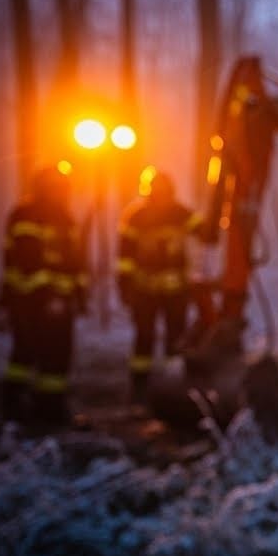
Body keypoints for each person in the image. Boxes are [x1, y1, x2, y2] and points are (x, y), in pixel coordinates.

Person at [0, 164, 88, 431]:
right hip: (30, 299)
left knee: (57, 355)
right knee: (28, 352)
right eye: (55, 189)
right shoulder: (25, 215)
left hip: (58, 301)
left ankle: (49, 406)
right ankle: (15, 404)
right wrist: (49, 294)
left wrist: (79, 293)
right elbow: (28, 260)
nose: (60, 194)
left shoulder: (65, 218)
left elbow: (75, 261)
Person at [117, 168, 201, 403]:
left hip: (176, 292)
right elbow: (124, 257)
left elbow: (205, 230)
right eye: (157, 193)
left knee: (175, 339)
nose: (161, 197)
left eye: (165, 193)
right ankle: (139, 388)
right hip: (144, 291)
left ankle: (172, 387)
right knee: (144, 338)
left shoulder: (180, 213)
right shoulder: (135, 216)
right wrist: (124, 286)